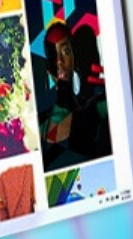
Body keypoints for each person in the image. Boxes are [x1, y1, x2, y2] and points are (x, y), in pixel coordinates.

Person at [40, 14, 110, 168]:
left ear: (74, 58)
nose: (59, 61)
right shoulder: (39, 123)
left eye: (65, 51)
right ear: (48, 69)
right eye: (53, 54)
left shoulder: (92, 109)